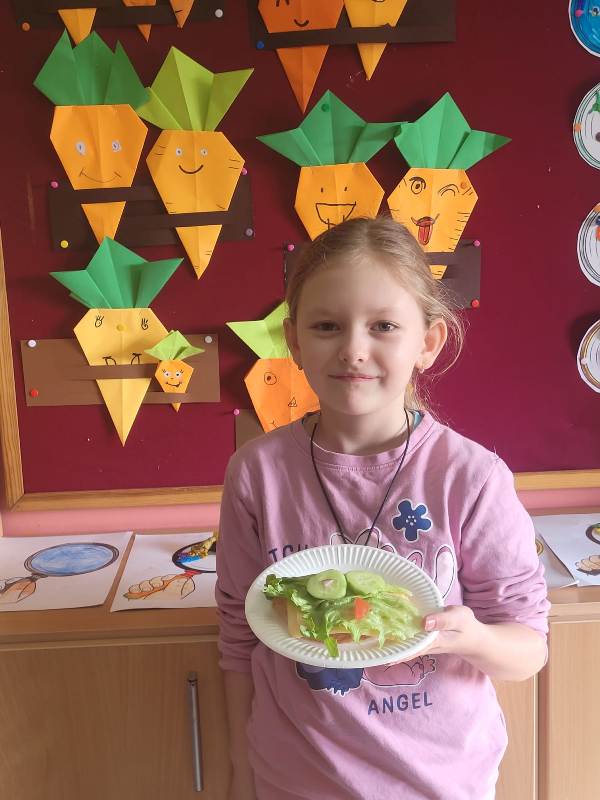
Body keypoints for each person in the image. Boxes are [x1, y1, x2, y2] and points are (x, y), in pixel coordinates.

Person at [216, 216, 549, 800]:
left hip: (440, 781)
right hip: (296, 778)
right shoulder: (256, 473)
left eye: (384, 326)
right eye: (326, 326)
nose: (353, 349)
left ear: (428, 343)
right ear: (294, 341)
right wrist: (239, 768)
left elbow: (528, 651)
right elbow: (239, 636)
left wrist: (470, 637)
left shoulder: (471, 478)